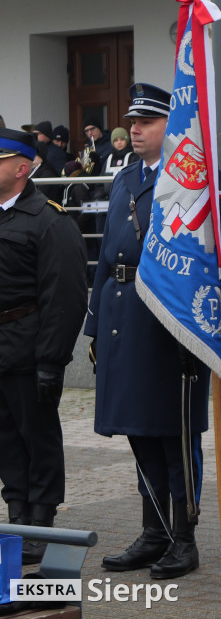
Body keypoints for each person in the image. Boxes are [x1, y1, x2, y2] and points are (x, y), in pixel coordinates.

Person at [85, 83, 221, 580]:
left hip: (168, 323)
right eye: (134, 122)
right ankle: (153, 533)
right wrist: (94, 327)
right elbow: (107, 255)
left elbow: (218, 254)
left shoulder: (194, 179)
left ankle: (183, 537)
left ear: (172, 127)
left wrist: (199, 324)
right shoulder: (126, 178)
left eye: (147, 122)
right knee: (139, 433)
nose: (136, 130)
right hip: (123, 317)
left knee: (175, 435)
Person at [0, 128, 87, 565]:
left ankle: (41, 520)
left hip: (29, 348)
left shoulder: (49, 220)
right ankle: (16, 517)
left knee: (38, 438)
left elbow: (66, 296)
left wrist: (51, 362)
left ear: (21, 167)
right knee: (6, 442)